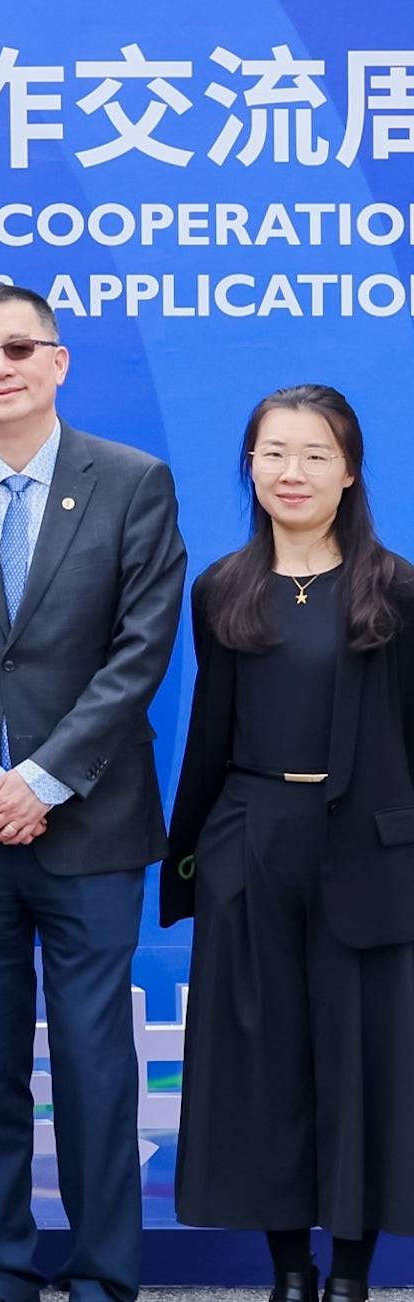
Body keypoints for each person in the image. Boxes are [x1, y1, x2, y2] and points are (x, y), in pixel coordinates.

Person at [0, 284, 185, 1302]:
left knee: (96, 1063)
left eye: (19, 348)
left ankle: (107, 1269)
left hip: (92, 824)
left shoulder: (133, 480)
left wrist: (47, 779)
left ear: (60, 361)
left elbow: (141, 648)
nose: (1, 367)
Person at [162, 385, 414, 1302]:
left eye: (314, 454)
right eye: (273, 453)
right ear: (251, 467)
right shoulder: (223, 588)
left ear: (348, 471)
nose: (291, 472)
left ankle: (351, 1272)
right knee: (262, 1063)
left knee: (359, 1061)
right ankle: (291, 1272)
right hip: (249, 843)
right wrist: (199, 858)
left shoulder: (395, 591)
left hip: (367, 853)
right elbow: (210, 736)